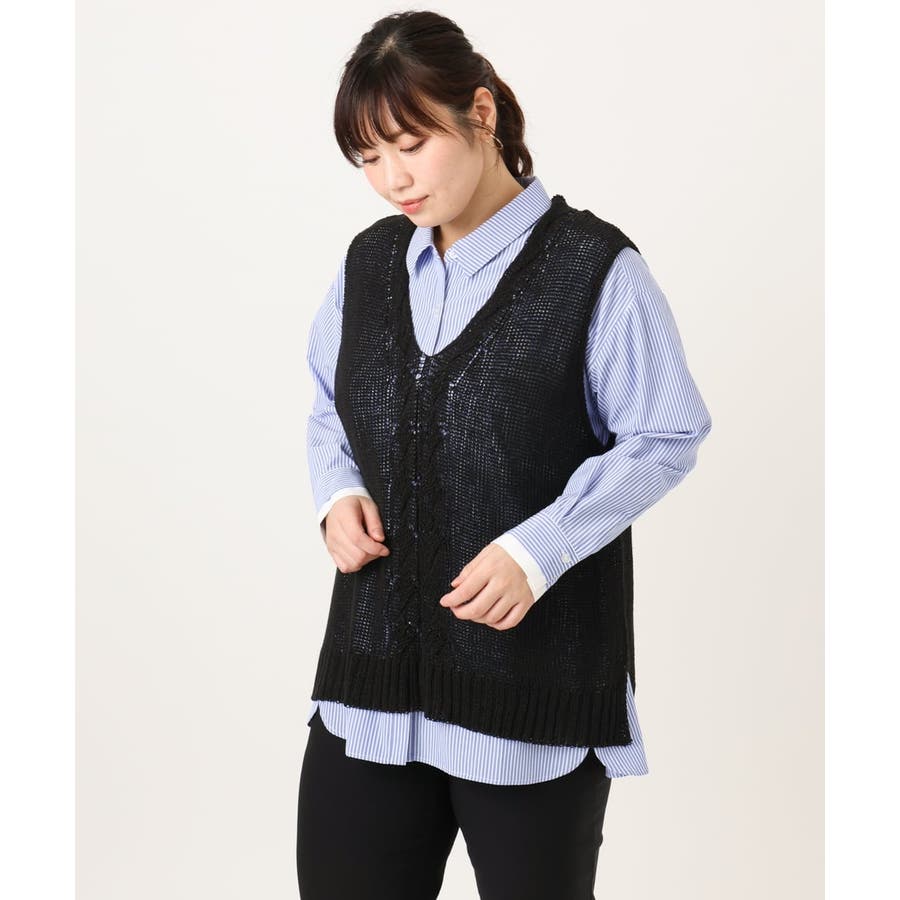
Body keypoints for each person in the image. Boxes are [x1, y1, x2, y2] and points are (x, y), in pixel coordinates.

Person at [296, 10, 712, 900]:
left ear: (480, 113)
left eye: (411, 144)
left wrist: (538, 550)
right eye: (368, 158)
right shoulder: (370, 265)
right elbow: (330, 401)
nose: (392, 179)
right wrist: (336, 492)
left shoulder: (594, 270)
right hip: (369, 697)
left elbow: (666, 433)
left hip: (529, 706)